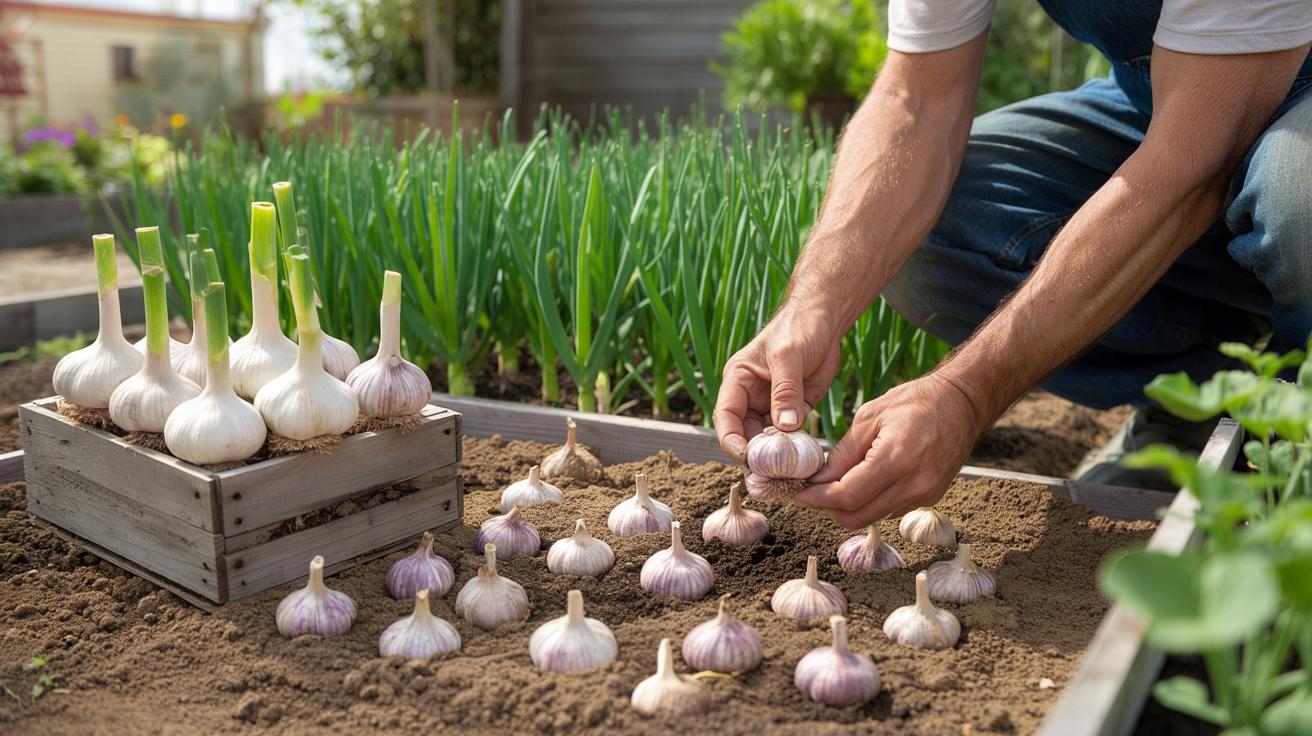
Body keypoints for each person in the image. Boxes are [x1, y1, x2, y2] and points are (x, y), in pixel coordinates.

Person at [712, 0, 1312, 529]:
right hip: (1173, 96)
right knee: (947, 227)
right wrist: (811, 309)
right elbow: (916, 98)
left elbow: (1194, 162)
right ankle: (1194, 402)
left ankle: (1292, 463)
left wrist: (966, 393)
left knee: (1299, 197)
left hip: (1250, 114)